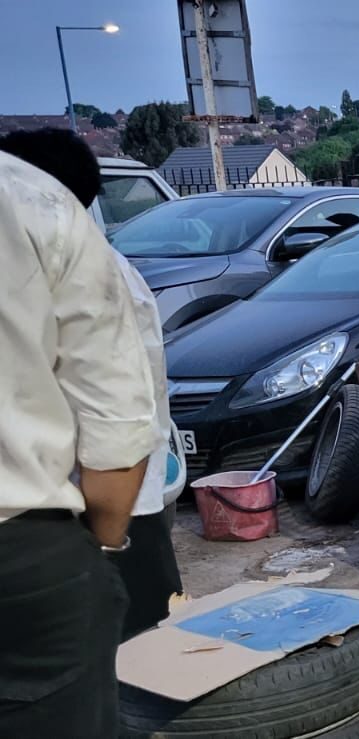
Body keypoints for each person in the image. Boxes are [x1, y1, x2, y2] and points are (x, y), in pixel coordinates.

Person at [0, 128, 184, 640]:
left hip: (106, 506)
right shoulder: (62, 267)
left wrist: (101, 543)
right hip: (88, 509)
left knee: (139, 653)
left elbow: (121, 419)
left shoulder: (100, 276)